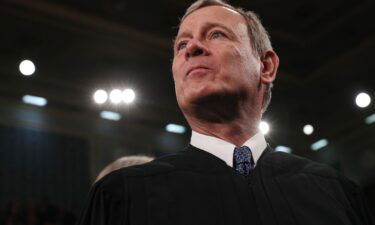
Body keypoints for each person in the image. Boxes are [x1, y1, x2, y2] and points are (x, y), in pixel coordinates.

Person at [77, 0, 374, 224]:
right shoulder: (122, 195)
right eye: (182, 43)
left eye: (216, 35)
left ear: (266, 66)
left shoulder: (337, 193)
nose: (191, 47)